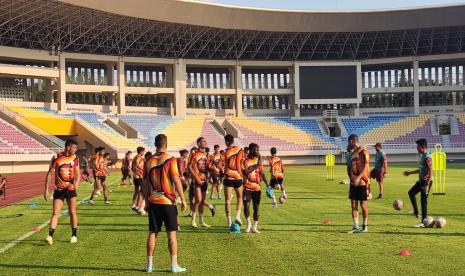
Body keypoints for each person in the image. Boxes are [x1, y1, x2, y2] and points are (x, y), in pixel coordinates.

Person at [142, 134, 187, 273]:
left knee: (152, 233)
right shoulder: (170, 159)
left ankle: (149, 265)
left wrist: (146, 199)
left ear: (155, 144)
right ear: (166, 144)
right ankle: (174, 265)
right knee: (171, 234)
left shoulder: (148, 161)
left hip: (153, 201)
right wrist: (183, 199)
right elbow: (176, 179)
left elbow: (145, 183)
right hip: (167, 201)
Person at [43, 139, 81, 245]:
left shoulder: (75, 158)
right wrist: (46, 190)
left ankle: (74, 235)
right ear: (68, 147)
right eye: (74, 147)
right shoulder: (56, 157)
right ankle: (50, 236)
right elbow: (49, 173)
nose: (76, 150)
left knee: (72, 212)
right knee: (55, 213)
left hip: (71, 189)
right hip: (59, 190)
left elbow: (78, 173)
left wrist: (77, 183)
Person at [404, 138, 433, 228]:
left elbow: (431, 171)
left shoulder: (427, 157)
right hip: (421, 181)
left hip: (426, 181)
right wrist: (410, 173)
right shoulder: (422, 156)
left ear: (422, 147)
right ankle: (416, 212)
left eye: (418, 146)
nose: (417, 148)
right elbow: (421, 170)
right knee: (411, 193)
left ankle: (423, 223)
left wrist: (427, 184)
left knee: (423, 201)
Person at [242, 143, 269, 233]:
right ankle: (248, 223)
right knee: (246, 206)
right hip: (247, 188)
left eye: (258, 150)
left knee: (256, 208)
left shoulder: (258, 161)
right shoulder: (245, 161)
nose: (258, 152)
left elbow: (262, 173)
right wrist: (257, 165)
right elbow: (246, 172)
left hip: (257, 189)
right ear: (251, 150)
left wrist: (268, 184)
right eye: (256, 150)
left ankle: (255, 227)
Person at [347, 134, 371, 233]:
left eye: (349, 141)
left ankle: (365, 225)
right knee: (353, 203)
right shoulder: (352, 154)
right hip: (353, 181)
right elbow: (349, 167)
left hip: (363, 181)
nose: (348, 144)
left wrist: (358, 177)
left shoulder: (363, 151)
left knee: (363, 204)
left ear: (352, 141)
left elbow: (366, 166)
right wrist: (352, 177)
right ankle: (356, 226)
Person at [189, 137, 211, 228]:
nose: (204, 143)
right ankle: (193, 220)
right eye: (202, 141)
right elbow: (189, 167)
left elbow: (207, 167)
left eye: (205, 141)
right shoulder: (194, 154)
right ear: (198, 143)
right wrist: (196, 178)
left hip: (205, 180)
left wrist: (210, 172)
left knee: (201, 201)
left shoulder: (207, 154)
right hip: (198, 180)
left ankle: (201, 221)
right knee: (198, 200)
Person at [223, 134, 245, 227]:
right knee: (239, 198)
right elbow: (242, 163)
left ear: (227, 142)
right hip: (238, 177)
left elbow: (224, 166)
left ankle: (229, 222)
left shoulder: (225, 152)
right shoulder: (240, 150)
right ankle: (238, 216)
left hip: (228, 177)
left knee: (228, 200)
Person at [131, 147, 145, 212]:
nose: (144, 153)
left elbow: (132, 167)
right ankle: (138, 206)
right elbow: (137, 164)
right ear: (141, 151)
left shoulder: (135, 157)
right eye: (143, 151)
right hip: (139, 176)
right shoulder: (139, 157)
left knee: (136, 191)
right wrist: (143, 170)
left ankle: (134, 205)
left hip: (135, 176)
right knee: (142, 191)